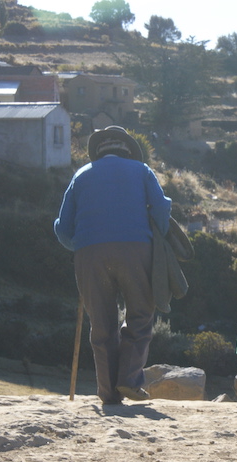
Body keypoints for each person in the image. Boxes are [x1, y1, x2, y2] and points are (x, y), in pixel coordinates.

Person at [54, 126, 171, 406]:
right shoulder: (142, 171)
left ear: (99, 152)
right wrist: (158, 239)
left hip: (89, 254)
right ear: (128, 151)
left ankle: (108, 394)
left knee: (102, 324)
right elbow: (162, 208)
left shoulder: (81, 175)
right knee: (141, 314)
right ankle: (128, 380)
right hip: (135, 250)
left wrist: (81, 246)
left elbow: (62, 226)